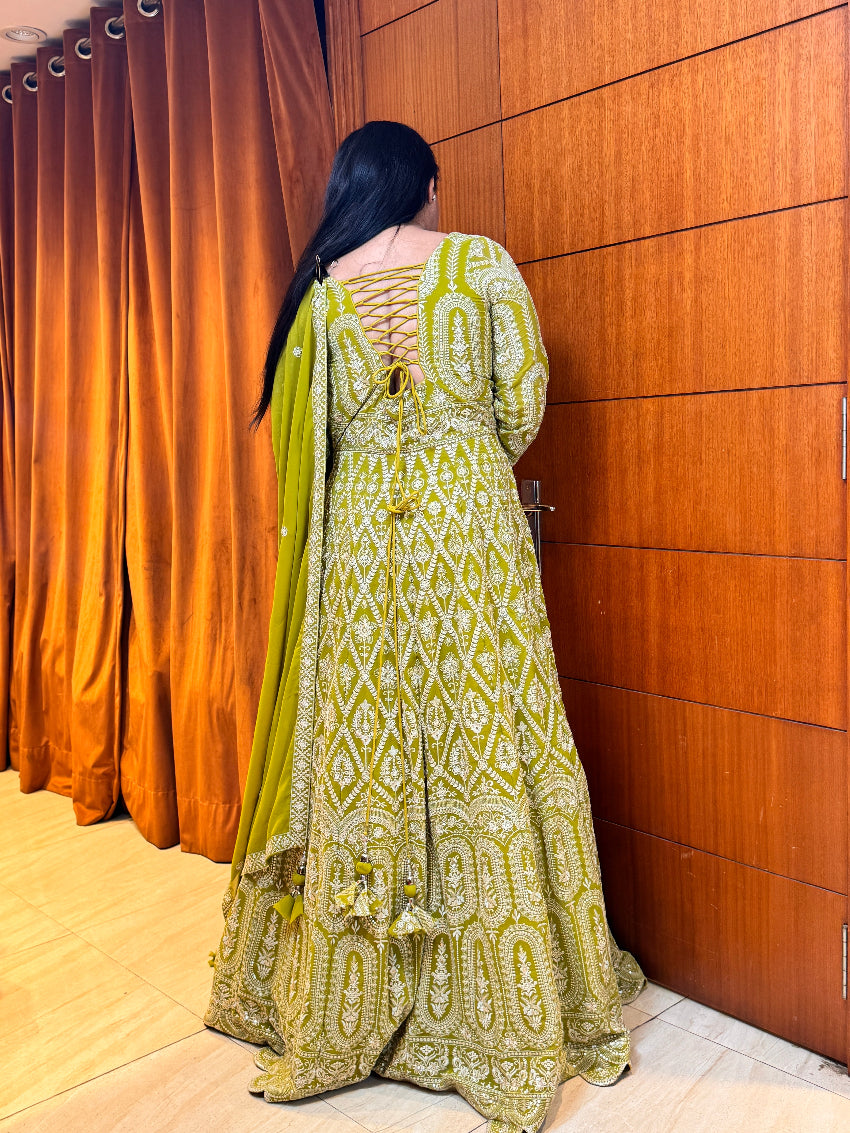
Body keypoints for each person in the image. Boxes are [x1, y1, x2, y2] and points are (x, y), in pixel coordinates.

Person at [205, 119, 644, 1133]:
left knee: (372, 749)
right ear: (423, 182)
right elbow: (521, 397)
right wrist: (459, 453)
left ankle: (359, 1008)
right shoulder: (479, 262)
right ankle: (514, 999)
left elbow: (309, 441)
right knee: (488, 738)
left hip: (359, 538)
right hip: (469, 526)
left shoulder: (319, 292)